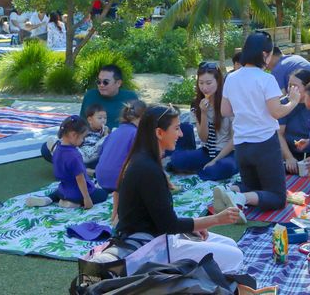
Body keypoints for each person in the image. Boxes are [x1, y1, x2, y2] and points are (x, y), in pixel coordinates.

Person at [102, 104, 244, 273]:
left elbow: (162, 218)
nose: (181, 134)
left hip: (159, 236)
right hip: (150, 247)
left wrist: (194, 226)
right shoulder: (147, 169)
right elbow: (169, 225)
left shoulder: (145, 161)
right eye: (176, 129)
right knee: (235, 256)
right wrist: (216, 220)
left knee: (229, 244)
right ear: (159, 133)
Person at [221, 31, 301, 210]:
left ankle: (230, 190)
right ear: (265, 54)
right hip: (264, 144)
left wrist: (247, 107)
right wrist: (293, 101)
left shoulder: (231, 78)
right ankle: (239, 198)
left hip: (241, 144)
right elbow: (277, 113)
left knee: (253, 187)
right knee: (278, 198)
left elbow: (225, 110)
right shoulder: (266, 79)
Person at [168, 62, 238, 181]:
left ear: (218, 82)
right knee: (176, 161)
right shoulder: (196, 104)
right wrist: (204, 113)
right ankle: (202, 168)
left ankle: (205, 169)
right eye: (201, 83)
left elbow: (234, 140)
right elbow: (204, 138)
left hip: (227, 152)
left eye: (209, 83)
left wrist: (215, 160)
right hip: (207, 151)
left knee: (221, 168)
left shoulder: (229, 102)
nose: (205, 87)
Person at [26, 115, 109, 209]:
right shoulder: (74, 155)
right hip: (78, 193)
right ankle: (74, 203)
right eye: (82, 137)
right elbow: (80, 179)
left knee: (57, 192)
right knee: (103, 194)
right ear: (73, 135)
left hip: (63, 189)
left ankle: (48, 199)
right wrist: (86, 198)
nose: (83, 141)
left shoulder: (57, 149)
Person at [96, 100, 147, 193]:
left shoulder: (114, 132)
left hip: (101, 178)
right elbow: (142, 160)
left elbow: (101, 153)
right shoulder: (136, 134)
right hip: (119, 182)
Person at [277, 69, 310, 173]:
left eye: (295, 86)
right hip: (289, 151)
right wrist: (289, 157)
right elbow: (279, 134)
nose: (290, 89)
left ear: (307, 88)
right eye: (289, 85)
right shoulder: (284, 103)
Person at [79, 65, 139, 129]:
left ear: (118, 83)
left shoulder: (130, 98)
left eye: (106, 82)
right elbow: (81, 123)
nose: (101, 85)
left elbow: (137, 125)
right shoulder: (90, 96)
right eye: (99, 82)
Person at [80, 104, 110, 168]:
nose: (103, 120)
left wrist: (106, 134)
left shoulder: (104, 131)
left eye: (105, 118)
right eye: (100, 118)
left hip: (96, 156)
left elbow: (107, 144)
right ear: (90, 120)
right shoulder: (84, 130)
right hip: (85, 155)